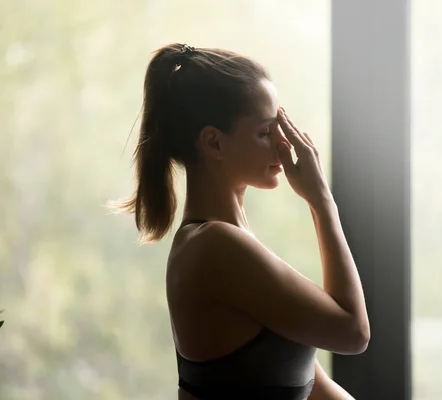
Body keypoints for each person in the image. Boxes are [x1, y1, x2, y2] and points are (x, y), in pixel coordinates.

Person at [113, 43, 370, 400]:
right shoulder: (215, 247)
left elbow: (313, 385)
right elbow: (353, 333)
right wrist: (321, 200)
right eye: (266, 132)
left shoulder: (228, 240)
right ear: (214, 143)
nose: (284, 145)